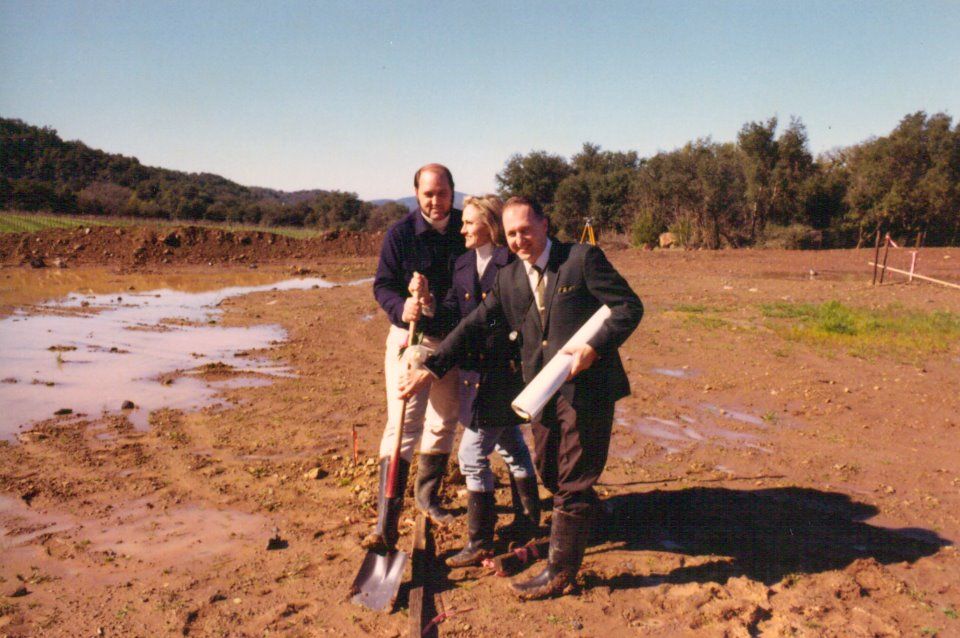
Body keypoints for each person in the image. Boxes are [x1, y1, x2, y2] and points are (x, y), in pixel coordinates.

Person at [401, 196, 642, 599]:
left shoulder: (581, 260)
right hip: (542, 390)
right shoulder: (510, 278)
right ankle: (592, 515)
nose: (518, 240)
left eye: (525, 230)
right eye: (511, 234)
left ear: (545, 224)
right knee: (550, 471)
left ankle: (560, 571)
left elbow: (627, 306)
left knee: (573, 478)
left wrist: (595, 347)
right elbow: (476, 325)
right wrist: (432, 366)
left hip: (589, 387)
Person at [413, 194, 540, 568]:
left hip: (503, 373)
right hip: (472, 373)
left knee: (471, 456)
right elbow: (454, 313)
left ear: (490, 224)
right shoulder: (464, 262)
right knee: (512, 446)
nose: (463, 228)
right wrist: (429, 303)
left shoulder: (511, 263)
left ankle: (480, 540)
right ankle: (528, 519)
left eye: (469, 222)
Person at [362, 163, 466, 553]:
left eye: (442, 193)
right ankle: (385, 521)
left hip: (454, 341)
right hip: (410, 340)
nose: (436, 201)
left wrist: (435, 304)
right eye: (428, 194)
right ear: (417, 194)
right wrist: (402, 307)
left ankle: (427, 498)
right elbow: (382, 285)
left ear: (453, 192)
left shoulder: (466, 229)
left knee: (444, 420)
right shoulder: (400, 234)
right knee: (402, 425)